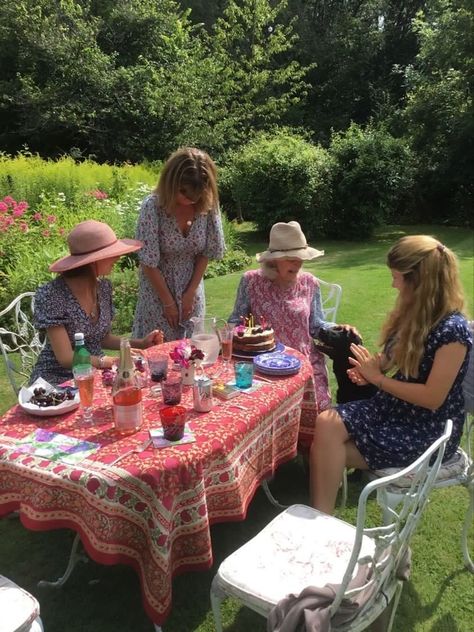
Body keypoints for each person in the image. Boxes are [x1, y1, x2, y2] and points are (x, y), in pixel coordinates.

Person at [310, 235, 472, 515]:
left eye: (397, 277)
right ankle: (321, 519)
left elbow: (432, 398)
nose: (393, 284)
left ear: (420, 281)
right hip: (395, 409)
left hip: (427, 427)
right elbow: (387, 360)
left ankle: (321, 520)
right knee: (326, 423)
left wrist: (378, 379)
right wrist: (370, 369)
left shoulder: (452, 331)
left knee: (329, 450)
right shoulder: (413, 314)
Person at [228, 221, 354, 413]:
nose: (298, 263)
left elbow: (316, 325)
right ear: (273, 260)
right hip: (263, 368)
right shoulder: (251, 281)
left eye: (300, 257)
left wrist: (337, 329)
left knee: (319, 419)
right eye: (291, 258)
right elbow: (236, 322)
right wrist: (241, 336)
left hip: (305, 365)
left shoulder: (309, 283)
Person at [30, 220, 163, 386]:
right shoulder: (52, 294)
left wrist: (140, 343)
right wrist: (108, 361)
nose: (117, 257)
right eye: (112, 253)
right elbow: (65, 357)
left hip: (95, 374)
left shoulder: (103, 288)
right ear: (93, 260)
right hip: (58, 380)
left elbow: (102, 338)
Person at [132, 147, 226, 342]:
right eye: (184, 192)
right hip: (157, 295)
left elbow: (206, 252)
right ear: (170, 182)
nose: (190, 199)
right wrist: (168, 302)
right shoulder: (153, 207)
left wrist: (190, 293)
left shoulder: (207, 207)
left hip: (192, 293)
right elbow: (148, 261)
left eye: (196, 194)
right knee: (157, 355)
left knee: (193, 354)